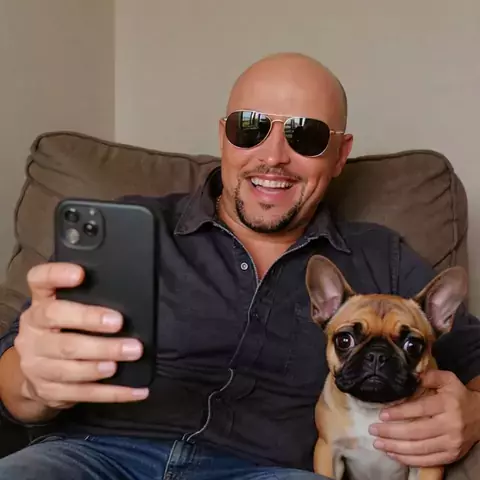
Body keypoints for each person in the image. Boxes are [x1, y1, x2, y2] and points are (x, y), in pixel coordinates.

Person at [0, 52, 479, 480]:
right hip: (93, 456)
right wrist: (33, 381)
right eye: (250, 128)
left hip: (269, 471)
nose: (273, 157)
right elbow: (13, 378)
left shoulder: (382, 257)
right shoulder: (129, 227)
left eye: (306, 135)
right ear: (224, 136)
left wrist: (474, 413)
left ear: (340, 155)